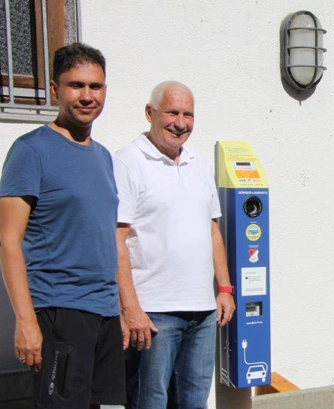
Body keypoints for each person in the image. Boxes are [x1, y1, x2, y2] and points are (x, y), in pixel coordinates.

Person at [0, 43, 125, 408]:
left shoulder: (102, 156)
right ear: (55, 90)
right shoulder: (31, 150)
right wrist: (25, 322)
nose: (87, 96)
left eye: (95, 87)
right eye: (76, 86)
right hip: (61, 314)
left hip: (104, 313)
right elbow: (8, 241)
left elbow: (102, 238)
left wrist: (119, 309)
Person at [114, 81, 235, 408]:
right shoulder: (127, 162)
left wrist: (224, 288)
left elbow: (212, 229)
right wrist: (130, 308)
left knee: (194, 402)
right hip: (153, 314)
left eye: (188, 115)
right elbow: (117, 241)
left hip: (203, 312)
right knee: (148, 402)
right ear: (150, 113)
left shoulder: (200, 164)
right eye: (172, 112)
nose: (180, 123)